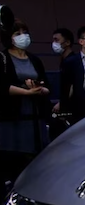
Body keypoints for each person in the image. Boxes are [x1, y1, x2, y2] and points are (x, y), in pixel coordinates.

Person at [1, 20, 51, 182]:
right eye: (17, 34)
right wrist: (26, 91)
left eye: (25, 32)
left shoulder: (34, 59)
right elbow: (2, 86)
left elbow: (46, 85)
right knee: (15, 159)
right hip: (13, 118)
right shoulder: (2, 58)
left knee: (37, 159)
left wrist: (39, 89)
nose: (23, 36)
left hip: (36, 115)